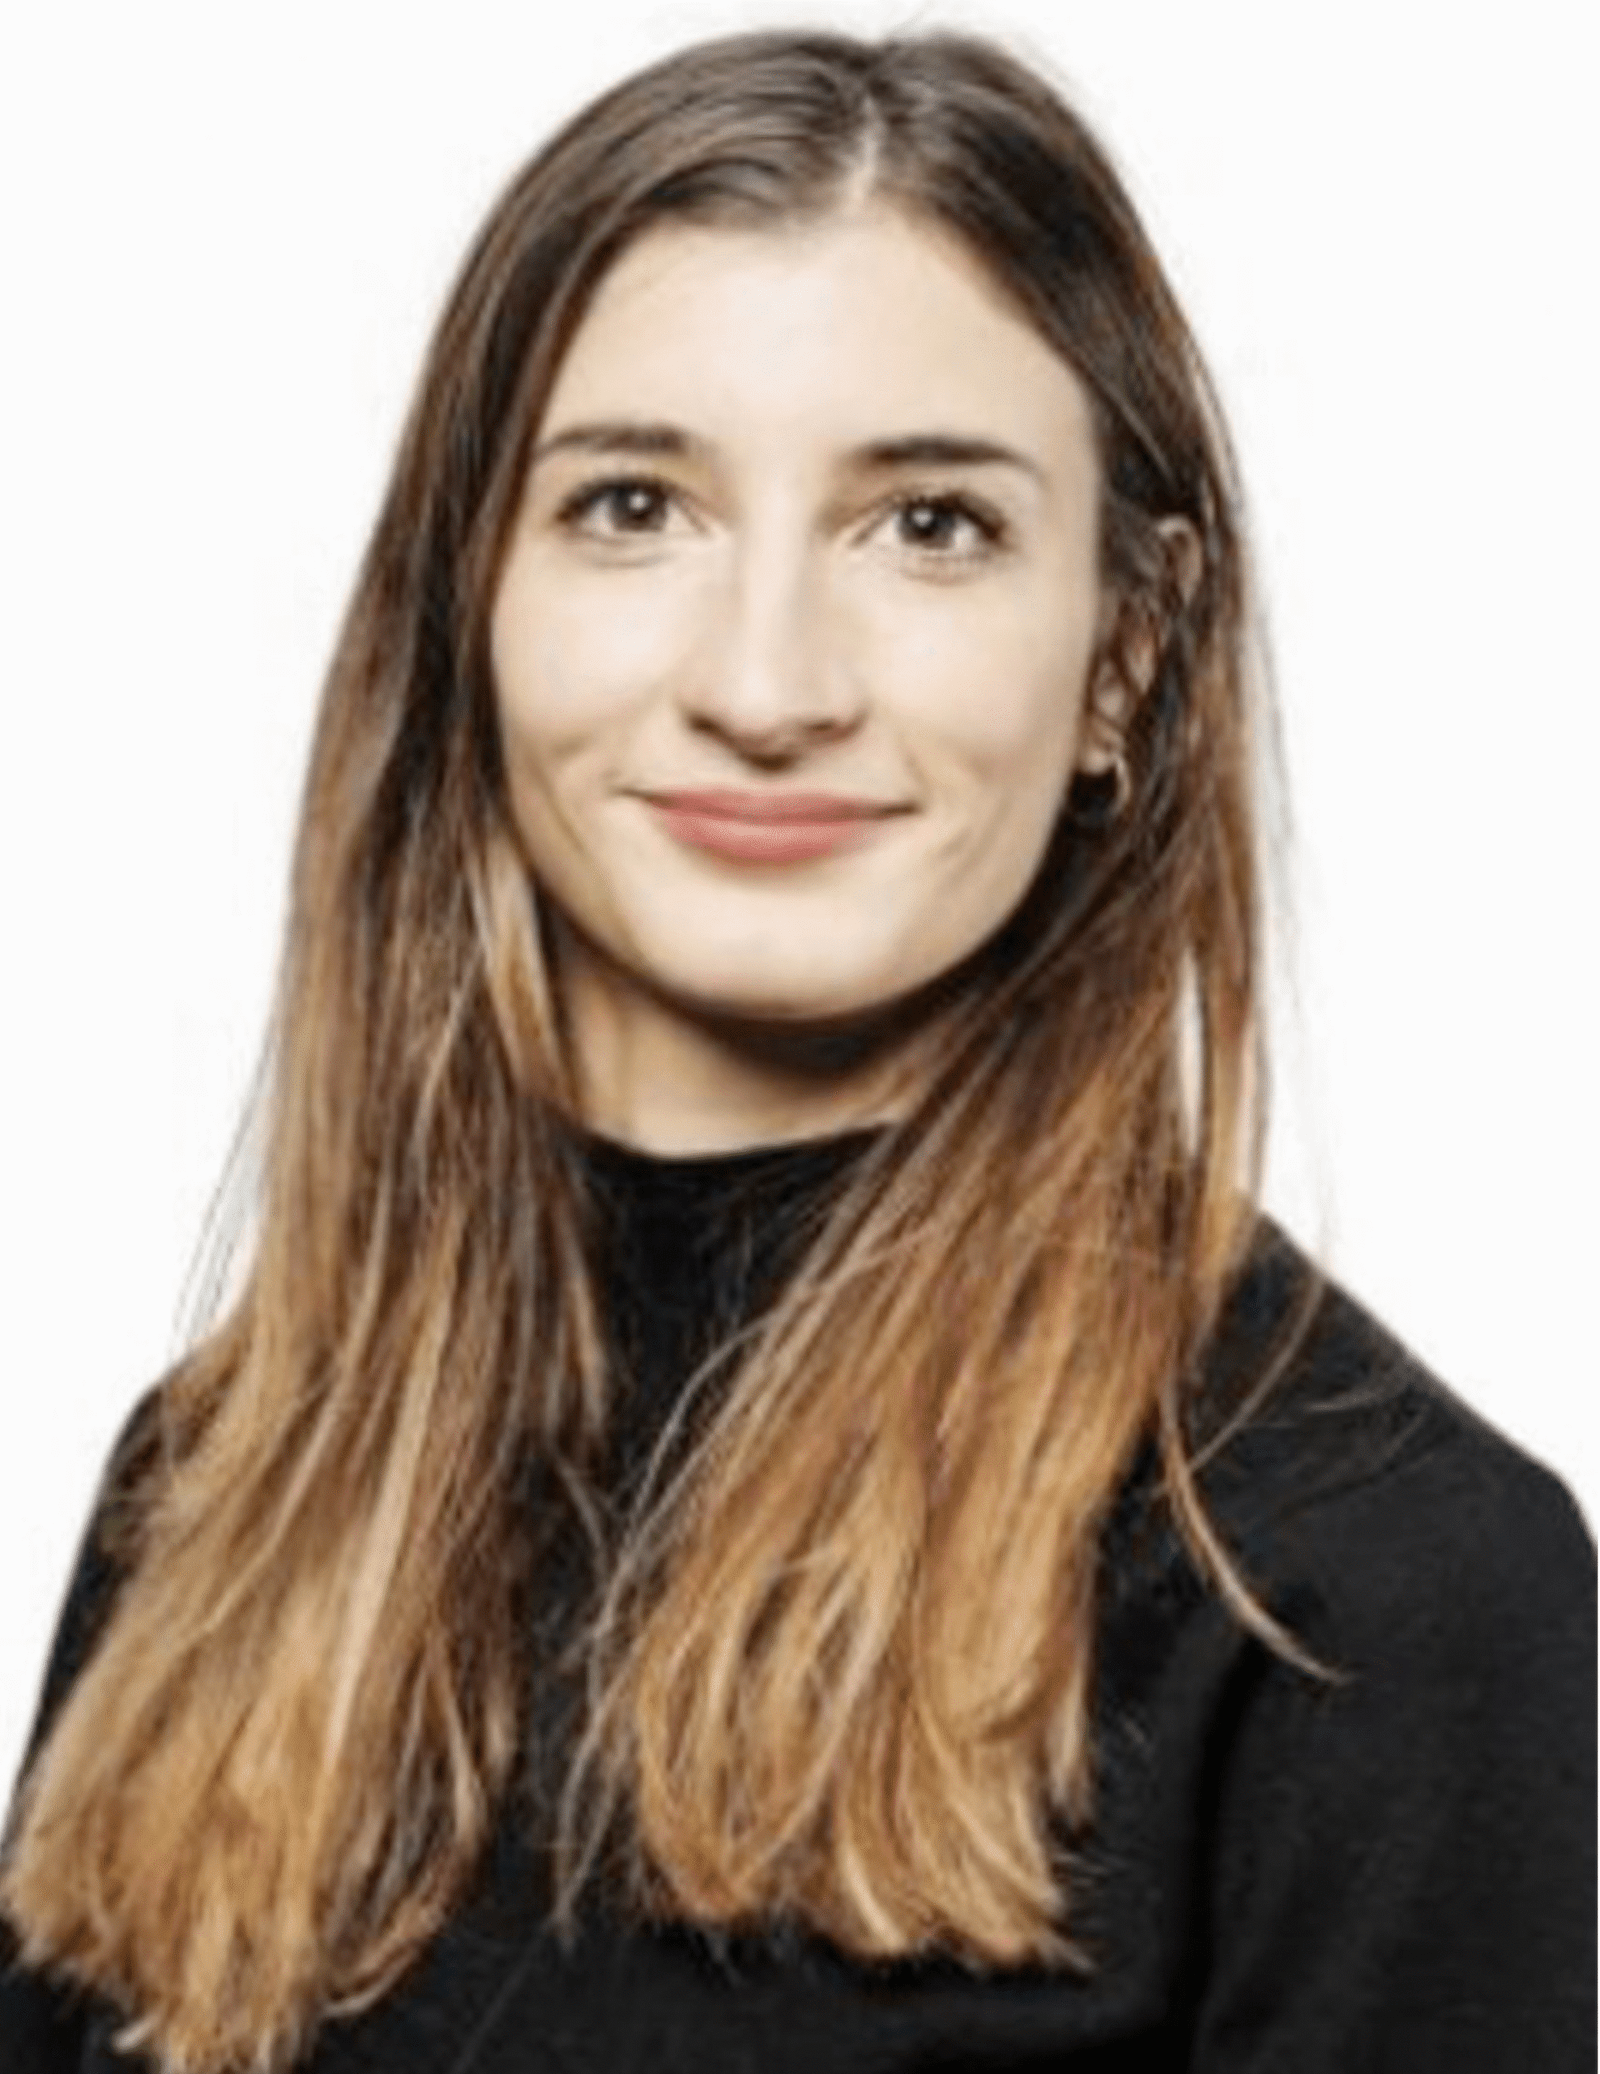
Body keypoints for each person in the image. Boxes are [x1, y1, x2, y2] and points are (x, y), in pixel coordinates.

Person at [1, 25, 1591, 2073]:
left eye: (928, 524)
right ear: (469, 603)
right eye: (632, 504)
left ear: (1123, 651)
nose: (765, 685)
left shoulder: (1368, 1591)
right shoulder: (215, 1489)